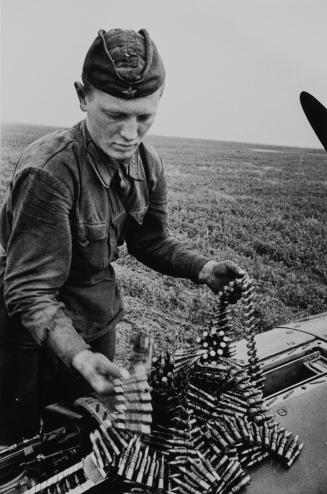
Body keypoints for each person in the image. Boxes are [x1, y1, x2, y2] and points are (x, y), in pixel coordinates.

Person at [0, 28, 245, 442]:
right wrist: (76, 354)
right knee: (18, 447)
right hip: (28, 333)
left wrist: (202, 270)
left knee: (85, 435)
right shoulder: (49, 172)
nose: (130, 134)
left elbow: (150, 241)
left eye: (143, 117)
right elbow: (30, 291)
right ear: (83, 96)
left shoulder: (148, 166)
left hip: (96, 318)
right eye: (115, 114)